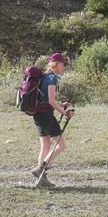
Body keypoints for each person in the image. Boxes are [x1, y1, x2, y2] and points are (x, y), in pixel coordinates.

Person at [29, 52, 74, 189]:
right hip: (46, 115)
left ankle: (41, 179)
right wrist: (65, 112)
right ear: (57, 64)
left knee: (46, 146)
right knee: (61, 145)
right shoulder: (52, 78)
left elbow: (46, 99)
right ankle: (40, 169)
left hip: (38, 114)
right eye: (62, 64)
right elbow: (51, 101)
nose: (63, 67)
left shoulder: (43, 76)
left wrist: (60, 104)